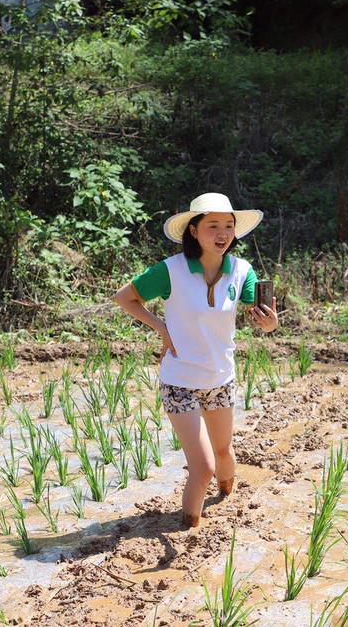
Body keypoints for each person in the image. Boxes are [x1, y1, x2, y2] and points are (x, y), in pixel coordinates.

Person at [112, 193, 279, 528]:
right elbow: (125, 298)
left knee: (223, 456)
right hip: (180, 381)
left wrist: (270, 322)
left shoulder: (241, 271)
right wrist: (161, 328)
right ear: (193, 230)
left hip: (220, 379)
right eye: (213, 225)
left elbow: (257, 316)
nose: (223, 233)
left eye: (229, 226)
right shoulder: (170, 271)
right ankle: (189, 529)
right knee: (202, 467)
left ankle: (227, 493)